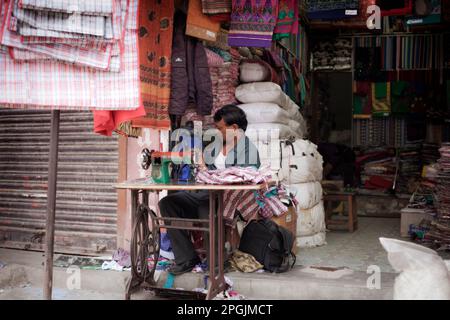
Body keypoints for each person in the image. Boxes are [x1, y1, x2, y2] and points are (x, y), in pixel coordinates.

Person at [158, 104, 260, 274]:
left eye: (220, 128)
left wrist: (209, 173)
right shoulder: (216, 146)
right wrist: (200, 164)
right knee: (168, 203)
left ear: (234, 128)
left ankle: (216, 264)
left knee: (207, 208)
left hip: (229, 201)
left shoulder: (249, 151)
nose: (217, 132)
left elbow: (244, 180)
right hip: (207, 194)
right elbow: (207, 171)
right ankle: (186, 258)